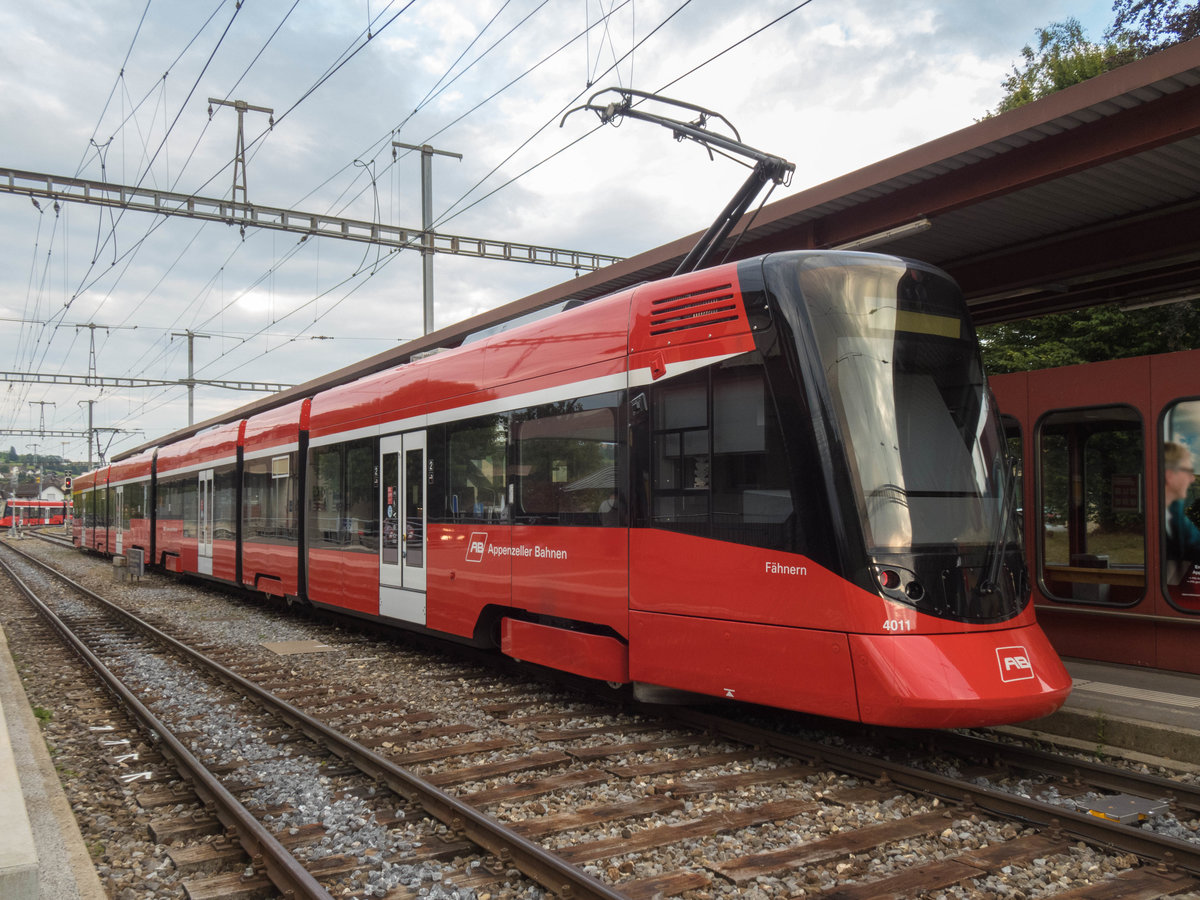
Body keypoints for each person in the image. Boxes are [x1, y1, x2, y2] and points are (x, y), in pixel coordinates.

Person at [1164, 441, 1200, 576]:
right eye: (1189, 471)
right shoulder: (1149, 518)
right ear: (1170, 475)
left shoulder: (1174, 512)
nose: (1192, 479)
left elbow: (1196, 543)